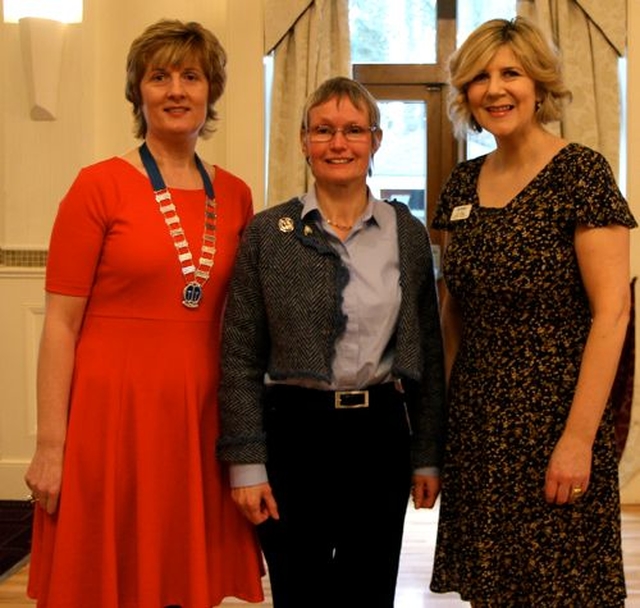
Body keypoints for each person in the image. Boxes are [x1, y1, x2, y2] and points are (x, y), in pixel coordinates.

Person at [23, 19, 264, 608]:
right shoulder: (97, 187)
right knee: (109, 579)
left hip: (200, 410)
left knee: (184, 576)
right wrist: (50, 444)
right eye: (159, 77)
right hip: (111, 413)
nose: (176, 90)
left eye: (190, 76)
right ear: (138, 92)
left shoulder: (235, 195)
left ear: (211, 91)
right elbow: (59, 324)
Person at [429, 16, 637, 607]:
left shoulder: (582, 173)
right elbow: (453, 312)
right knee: (489, 590)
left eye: (511, 73)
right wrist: (445, 423)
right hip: (479, 426)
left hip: (556, 421)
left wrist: (578, 439)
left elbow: (613, 315)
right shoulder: (462, 185)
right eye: (480, 78)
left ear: (539, 85)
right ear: (466, 94)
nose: (496, 89)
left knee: (561, 590)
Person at [216, 76, 446, 608]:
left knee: (368, 591)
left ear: (376, 140)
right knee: (301, 592)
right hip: (292, 436)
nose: (338, 143)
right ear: (303, 141)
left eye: (352, 130)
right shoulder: (267, 234)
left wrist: (427, 457)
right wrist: (246, 464)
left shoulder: (406, 233)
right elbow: (239, 355)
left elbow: (427, 355)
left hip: (378, 438)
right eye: (323, 130)